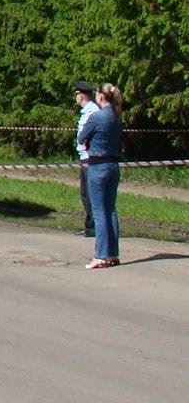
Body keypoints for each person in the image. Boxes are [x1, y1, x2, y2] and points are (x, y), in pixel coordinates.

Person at [77, 82, 123, 269]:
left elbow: (81, 137)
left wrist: (88, 140)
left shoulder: (97, 117)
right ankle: (112, 253)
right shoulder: (117, 116)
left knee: (99, 211)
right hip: (113, 164)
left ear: (101, 97)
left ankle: (101, 255)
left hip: (97, 165)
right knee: (110, 209)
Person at [74, 81, 99, 237]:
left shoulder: (92, 111)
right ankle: (90, 226)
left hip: (90, 158)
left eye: (76, 94)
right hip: (84, 157)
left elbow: (88, 135)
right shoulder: (86, 111)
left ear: (81, 95)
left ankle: (94, 227)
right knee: (85, 194)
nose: (75, 98)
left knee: (91, 194)